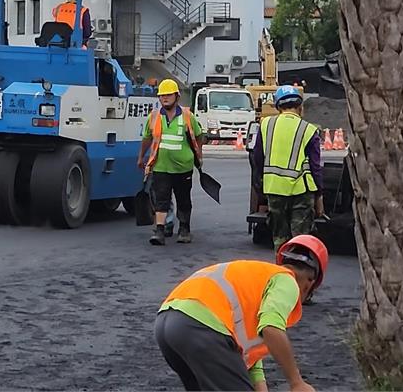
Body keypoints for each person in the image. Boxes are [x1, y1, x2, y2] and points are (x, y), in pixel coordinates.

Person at [154, 235, 328, 392]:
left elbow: (249, 356)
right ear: (309, 283)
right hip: (202, 328)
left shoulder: (257, 278)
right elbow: (271, 328)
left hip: (167, 325)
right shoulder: (287, 281)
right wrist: (296, 382)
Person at [250, 85, 324, 253]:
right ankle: (298, 270)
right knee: (300, 239)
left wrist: (260, 184)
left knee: (280, 239)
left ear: (278, 106)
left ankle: (282, 270)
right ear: (300, 107)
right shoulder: (309, 129)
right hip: (301, 192)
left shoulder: (265, 125)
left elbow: (257, 158)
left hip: (274, 190)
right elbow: (315, 167)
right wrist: (319, 195)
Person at [137, 79, 203, 245]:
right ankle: (159, 231)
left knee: (183, 199)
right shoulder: (153, 117)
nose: (164, 98)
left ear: (176, 96)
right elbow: (147, 138)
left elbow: (199, 135)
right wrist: (141, 157)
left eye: (168, 95)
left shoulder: (188, 116)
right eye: (162, 96)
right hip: (161, 166)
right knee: (161, 199)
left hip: (183, 167)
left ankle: (184, 229)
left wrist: (198, 154)